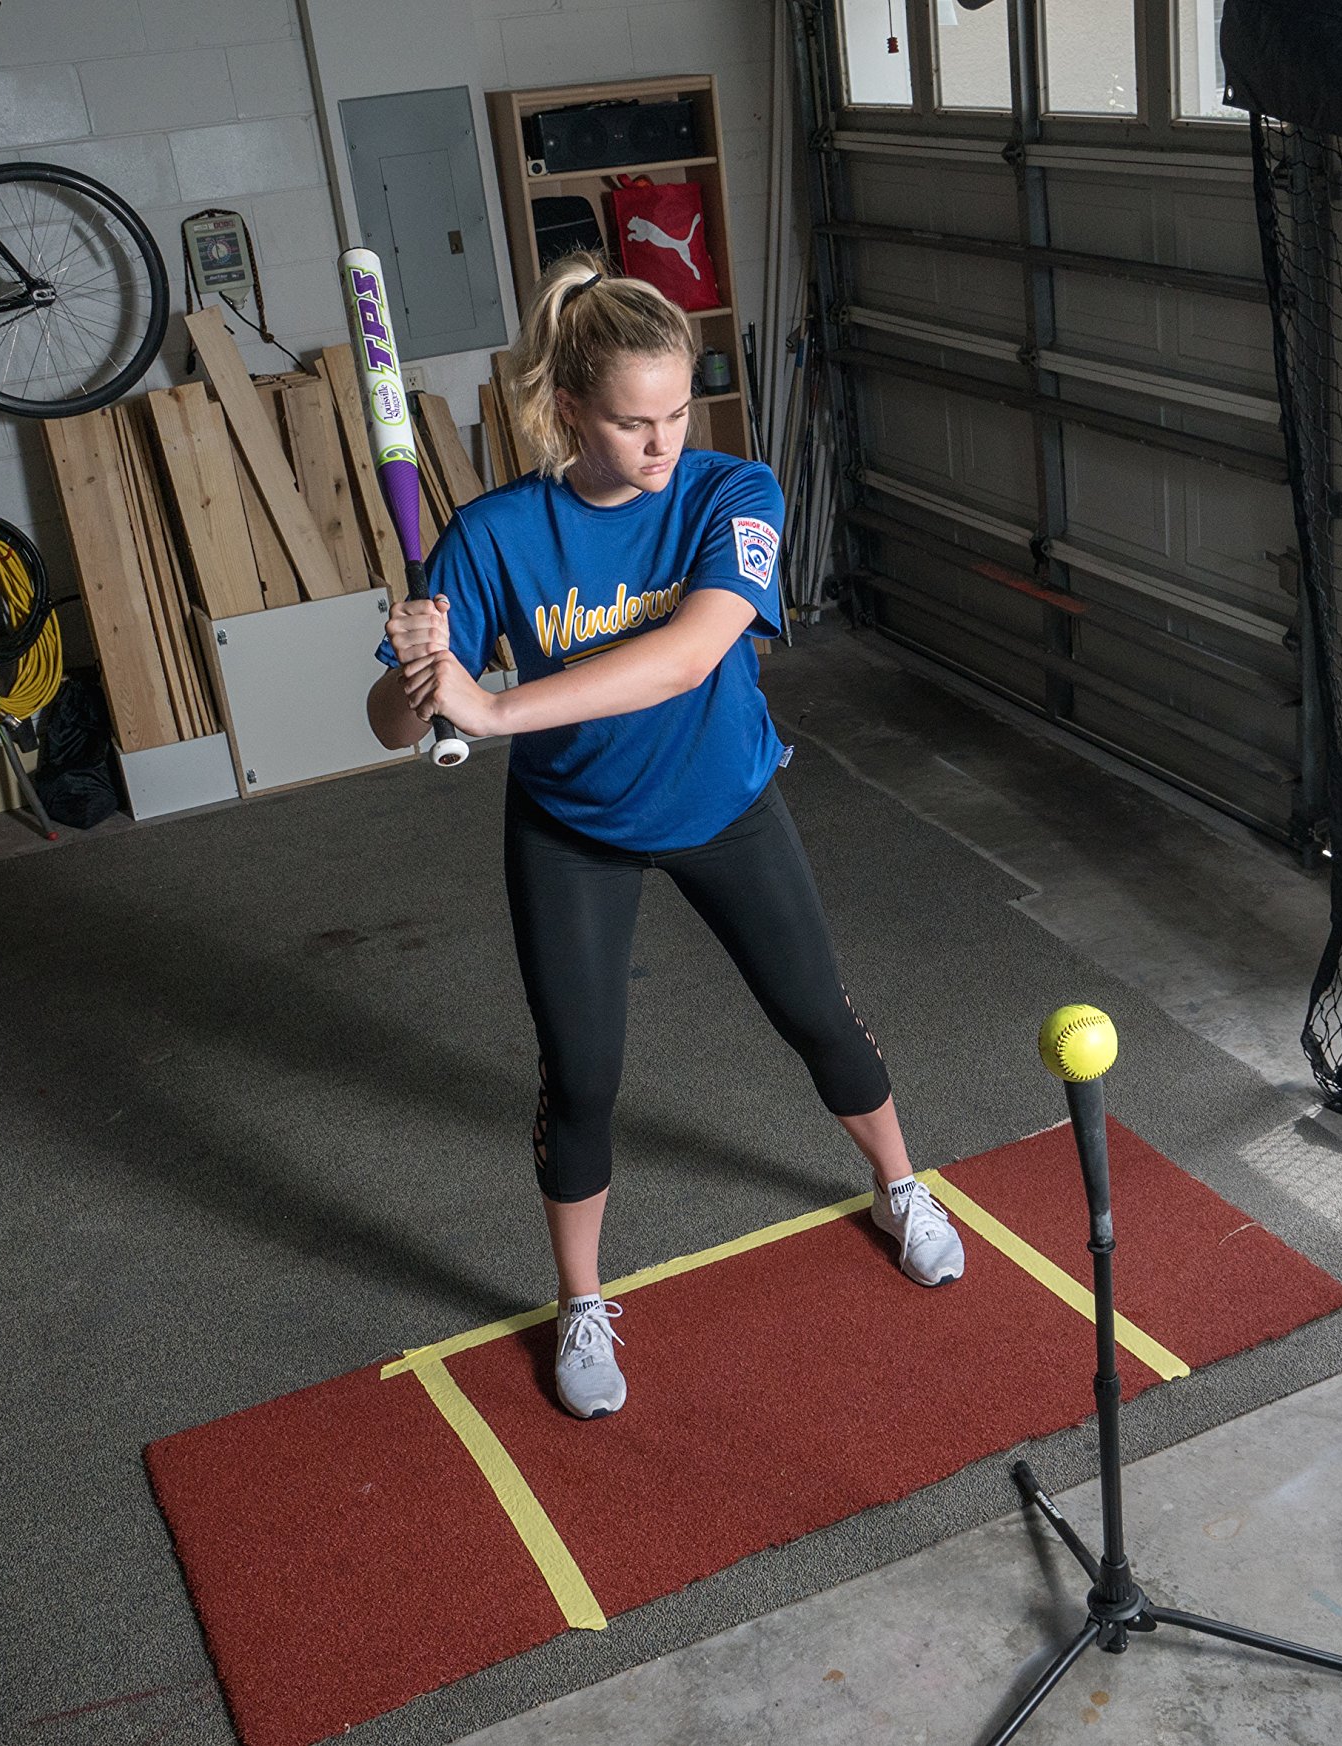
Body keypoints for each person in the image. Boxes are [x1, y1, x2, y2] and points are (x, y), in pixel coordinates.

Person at [365, 252, 962, 1421]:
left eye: (677, 411)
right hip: (570, 827)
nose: (661, 443)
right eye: (633, 422)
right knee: (582, 1075)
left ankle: (899, 1185)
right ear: (568, 412)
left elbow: (690, 655)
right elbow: (393, 723)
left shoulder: (731, 493)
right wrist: (422, 666)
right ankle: (580, 1301)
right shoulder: (493, 537)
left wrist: (496, 707)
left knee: (818, 1015)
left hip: (722, 801)